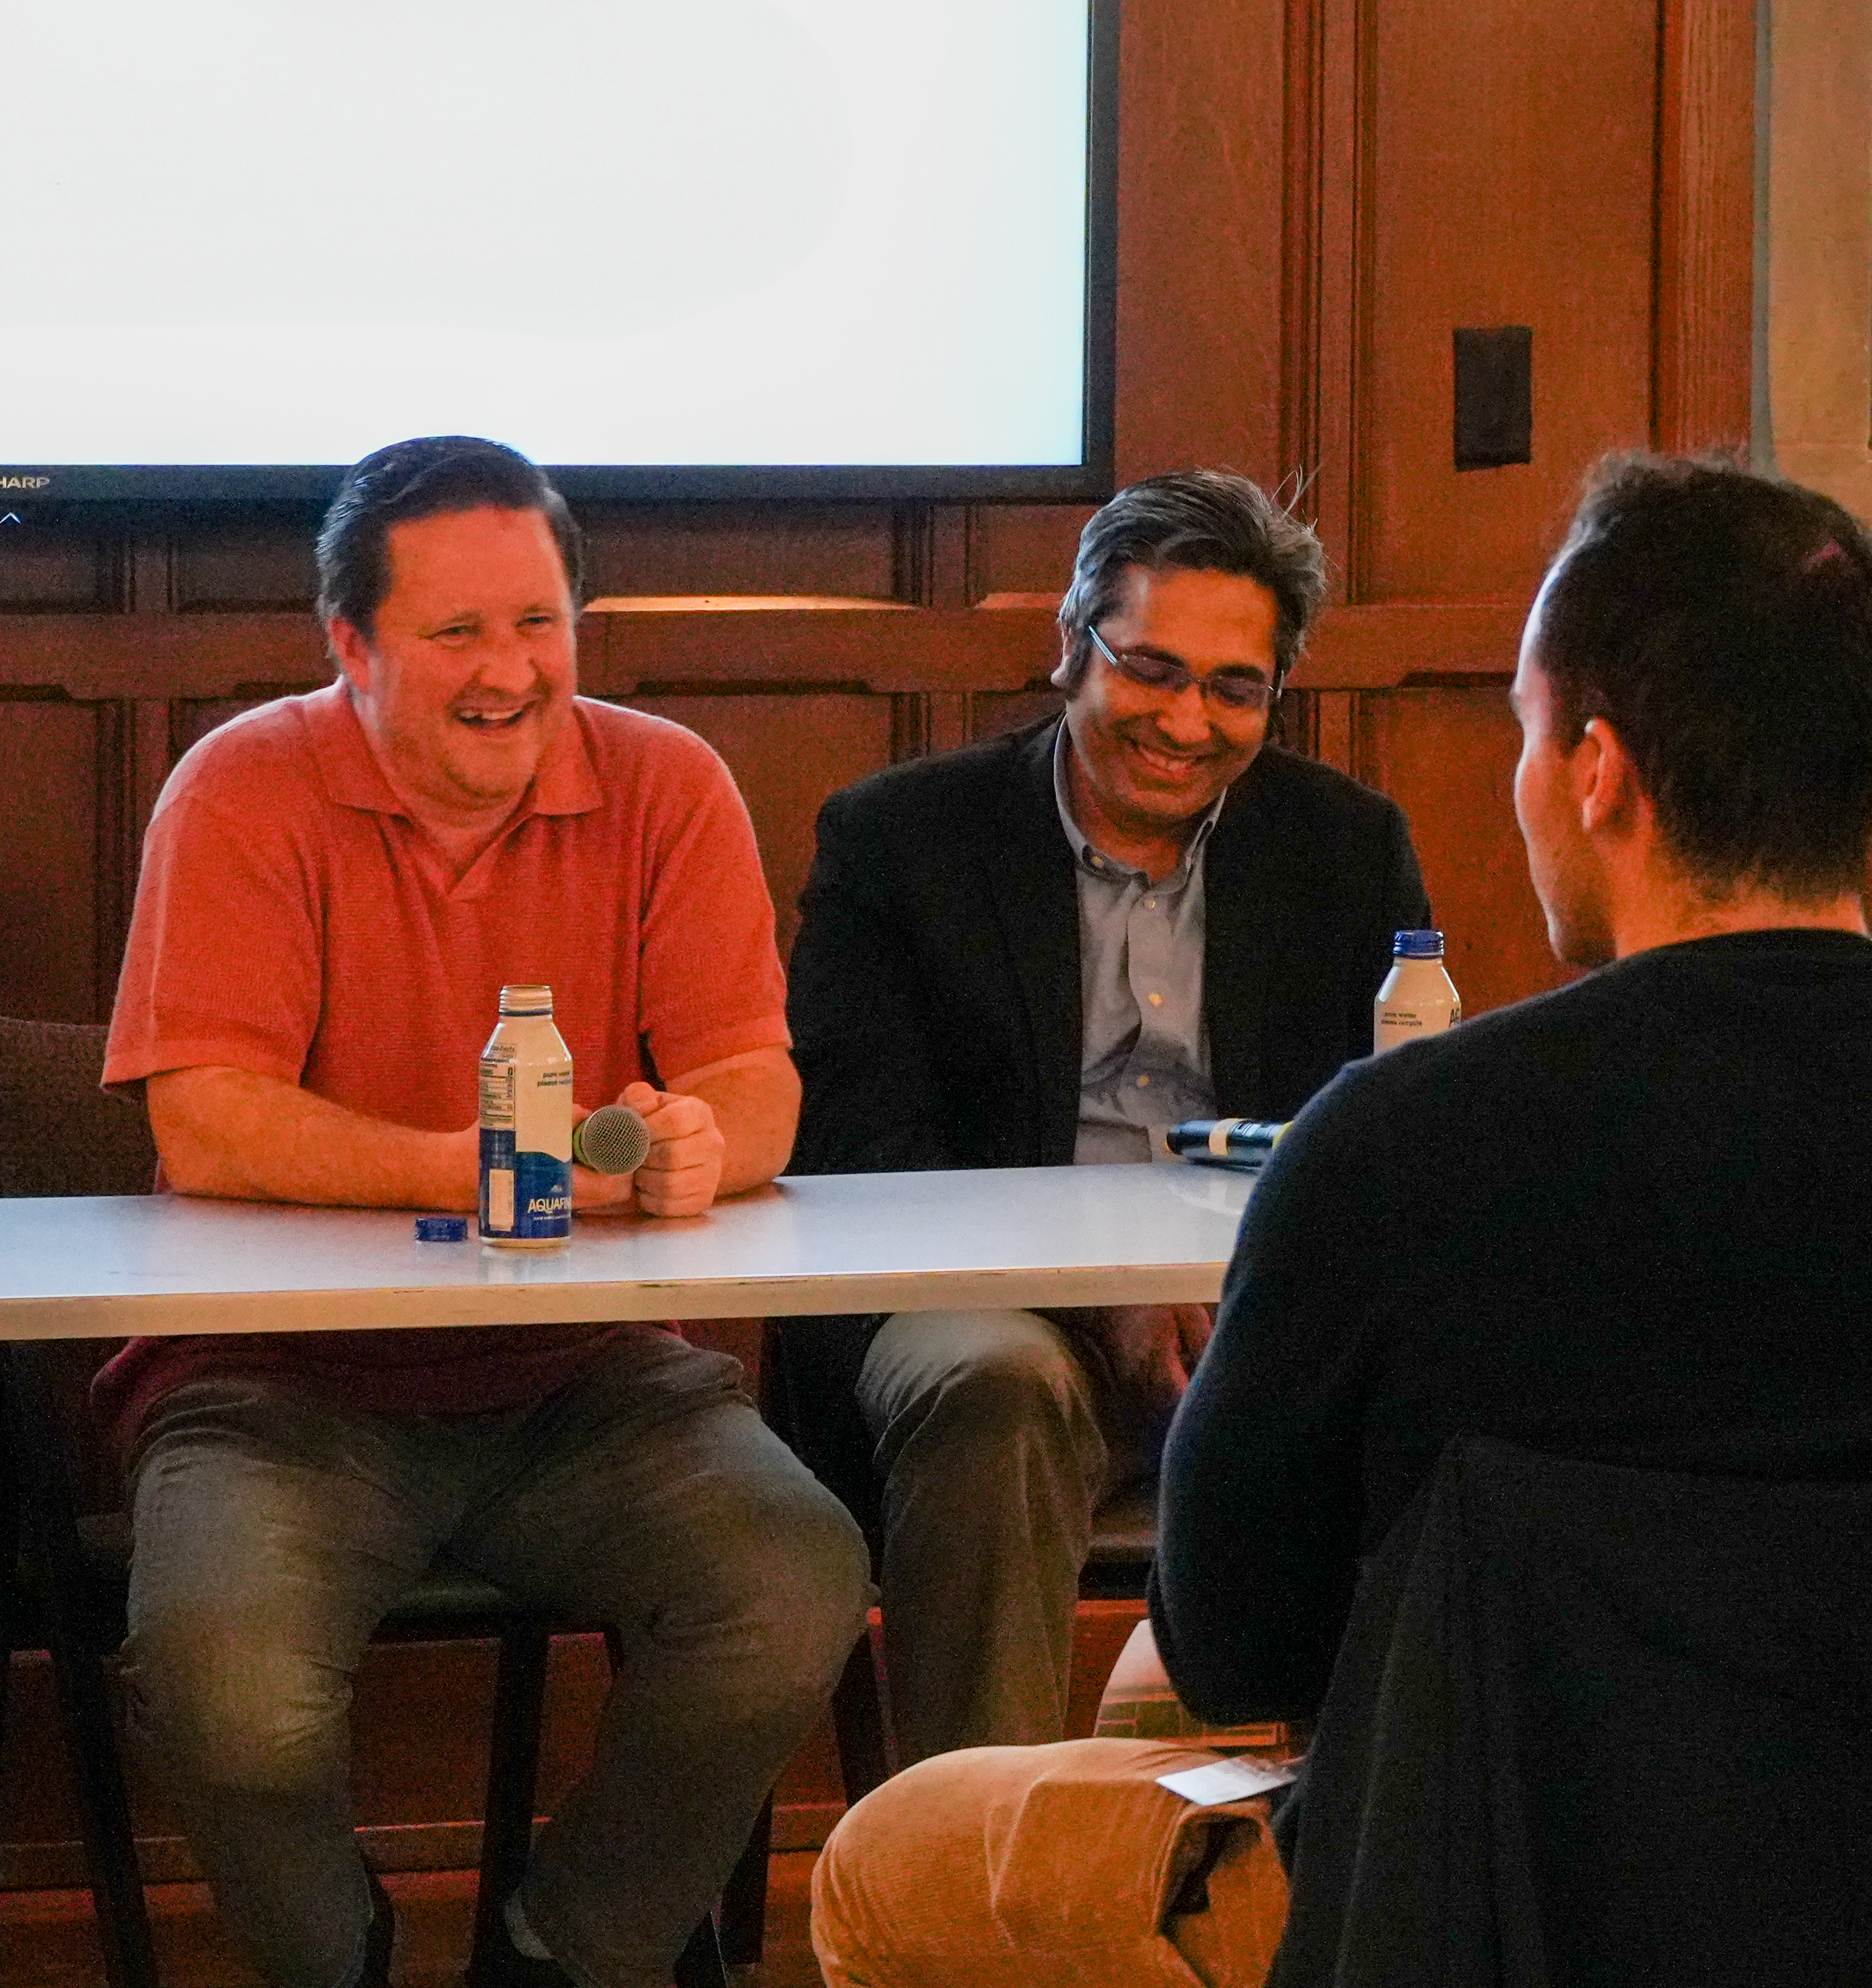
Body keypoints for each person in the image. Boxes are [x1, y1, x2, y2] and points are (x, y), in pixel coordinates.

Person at [809, 453, 1872, 1985]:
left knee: (890, 1860)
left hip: (1470, 1897)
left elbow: (1236, 1640)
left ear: (1596, 772)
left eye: (1519, 730)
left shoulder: (1403, 1141)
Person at [100, 435, 869, 1988]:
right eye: (457, 631)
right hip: (274, 1380)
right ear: (351, 643)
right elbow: (207, 1122)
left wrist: (699, 1145)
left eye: (539, 623)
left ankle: (559, 1957)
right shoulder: (241, 783)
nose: (509, 672)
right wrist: (481, 1163)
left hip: (587, 1373)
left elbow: (755, 1082)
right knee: (222, 1690)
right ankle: (346, 1964)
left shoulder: (667, 781)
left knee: (796, 1580)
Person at [781, 469, 1430, 1764]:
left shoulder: (1345, 849)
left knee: (1436, 1376)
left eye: (1234, 688)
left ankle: (1349, 1849)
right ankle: (983, 1858)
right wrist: (1109, 1295)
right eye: (1151, 669)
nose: (1186, 721)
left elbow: (1385, 1140)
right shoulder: (900, 840)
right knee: (996, 1388)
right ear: (1071, 646)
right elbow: (865, 1159)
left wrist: (1251, 1296)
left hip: (1252, 1316)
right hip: (986, 1307)